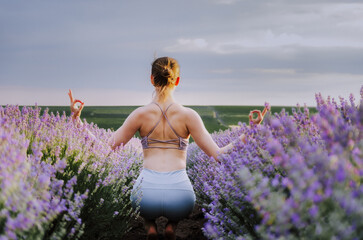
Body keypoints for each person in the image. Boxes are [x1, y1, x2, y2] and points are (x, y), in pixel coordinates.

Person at [68, 56, 266, 240]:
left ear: (152, 79)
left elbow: (105, 149)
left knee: (144, 209)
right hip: (181, 197)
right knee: (176, 210)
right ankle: (172, 225)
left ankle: (150, 226)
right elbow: (219, 154)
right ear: (177, 81)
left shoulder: (140, 114)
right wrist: (249, 131)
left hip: (146, 196)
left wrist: (78, 122)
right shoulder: (189, 116)